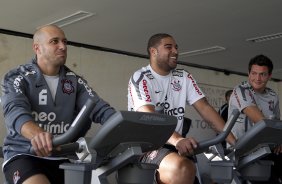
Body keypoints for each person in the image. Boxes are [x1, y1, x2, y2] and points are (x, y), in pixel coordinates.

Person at [0, 25, 116, 184]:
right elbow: (15, 110)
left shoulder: (75, 81)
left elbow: (100, 109)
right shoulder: (16, 77)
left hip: (64, 156)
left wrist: (128, 128)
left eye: (64, 42)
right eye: (54, 41)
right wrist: (37, 135)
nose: (62, 46)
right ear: (37, 48)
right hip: (25, 155)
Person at [127, 33, 236, 184]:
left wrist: (235, 144)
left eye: (176, 47)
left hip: (173, 146)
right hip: (146, 147)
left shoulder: (183, 77)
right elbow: (148, 117)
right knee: (182, 169)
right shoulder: (141, 77)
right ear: (153, 51)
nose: (175, 51)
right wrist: (178, 140)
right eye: (168, 47)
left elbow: (205, 108)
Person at [228, 54, 282, 183]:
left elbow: (277, 124)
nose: (257, 78)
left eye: (262, 74)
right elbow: (262, 123)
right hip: (242, 150)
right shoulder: (241, 91)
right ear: (248, 73)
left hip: (265, 149)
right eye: (254, 73)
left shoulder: (272, 95)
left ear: (269, 76)